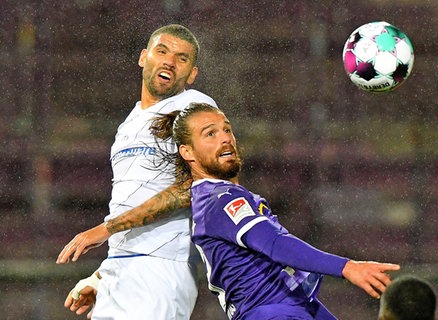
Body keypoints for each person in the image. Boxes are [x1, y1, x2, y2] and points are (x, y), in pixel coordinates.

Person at [147, 102, 401, 319]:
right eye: (210, 134)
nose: (225, 137)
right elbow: (274, 244)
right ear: (187, 152)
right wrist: (347, 267)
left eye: (227, 129)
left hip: (293, 306)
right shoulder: (219, 200)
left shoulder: (222, 198)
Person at [56, 24, 218, 319]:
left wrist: (105, 230)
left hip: (160, 269)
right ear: (144, 57)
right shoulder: (128, 125)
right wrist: (104, 275)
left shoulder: (194, 107)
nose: (169, 61)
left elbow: (197, 186)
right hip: (120, 269)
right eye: (162, 51)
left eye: (182, 58)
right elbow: (133, 201)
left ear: (192, 75)